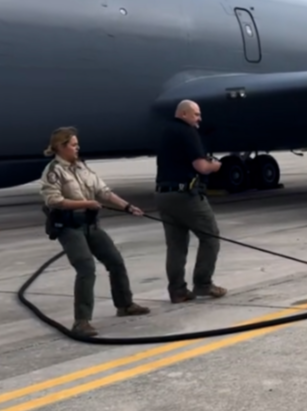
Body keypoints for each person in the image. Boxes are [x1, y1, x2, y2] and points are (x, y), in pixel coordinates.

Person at [39, 127, 150, 337]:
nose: (77, 148)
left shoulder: (82, 167)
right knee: (86, 268)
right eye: (73, 145)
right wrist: (86, 203)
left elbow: (103, 192)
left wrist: (127, 206)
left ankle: (125, 304)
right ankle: (81, 321)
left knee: (115, 261)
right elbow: (53, 200)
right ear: (61, 147)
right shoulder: (53, 172)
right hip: (69, 226)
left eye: (77, 144)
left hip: (90, 224)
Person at [154, 99, 227, 303]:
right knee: (210, 236)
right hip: (184, 196)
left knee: (176, 245)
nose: (199, 119)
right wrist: (217, 166)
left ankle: (177, 290)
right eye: (196, 114)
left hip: (163, 195)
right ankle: (203, 284)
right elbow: (201, 166)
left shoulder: (166, 131)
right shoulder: (187, 132)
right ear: (184, 114)